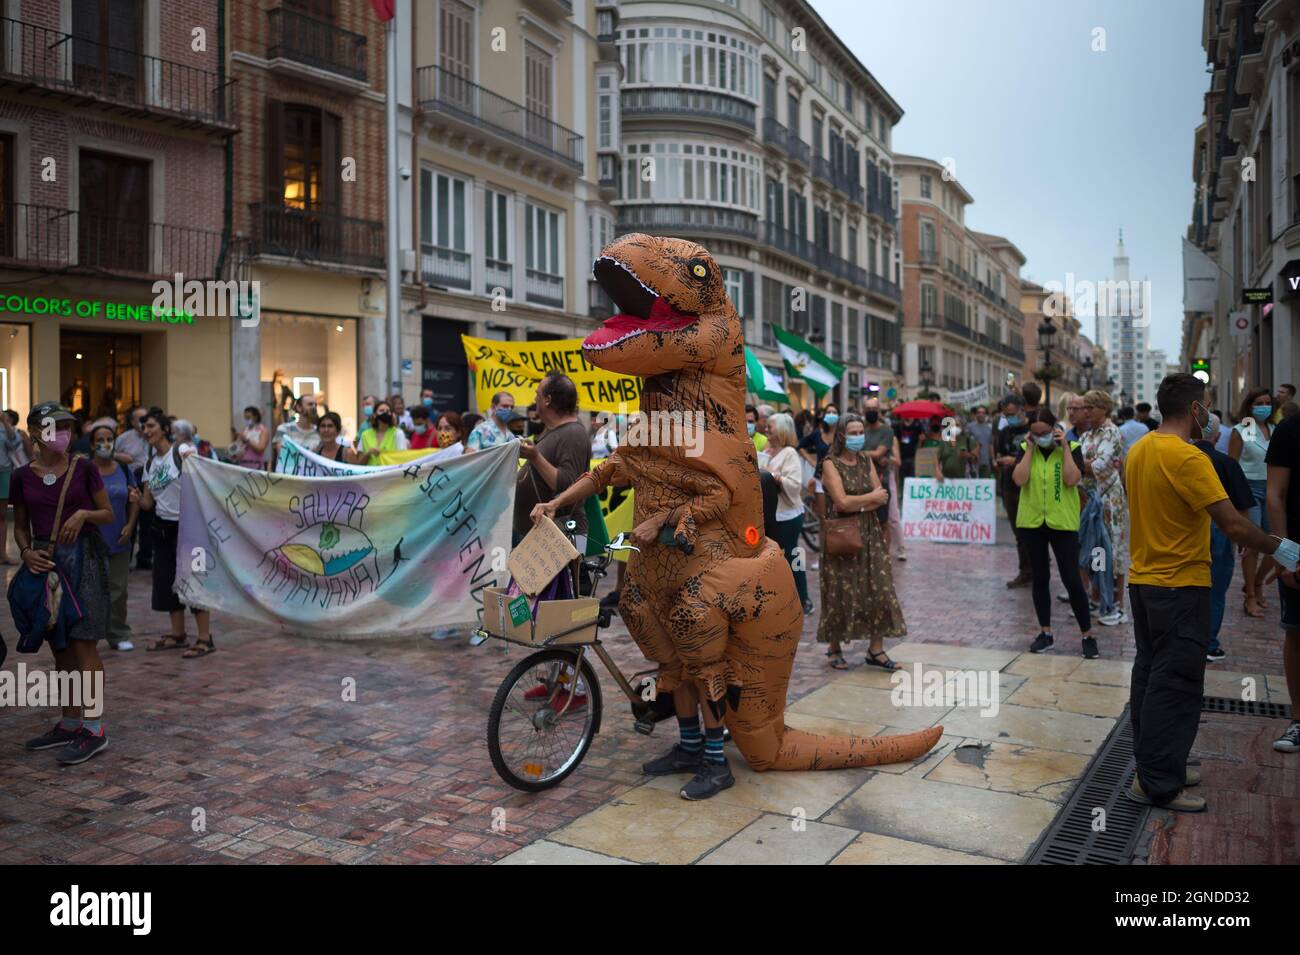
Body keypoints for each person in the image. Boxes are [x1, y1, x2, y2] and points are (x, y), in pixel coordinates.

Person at [1125, 374, 1298, 812]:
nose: (1210, 415)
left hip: (1144, 582)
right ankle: (1158, 784)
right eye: (1205, 407)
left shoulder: (1141, 449)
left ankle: (1158, 765)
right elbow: (1234, 524)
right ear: (1195, 409)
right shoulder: (1187, 457)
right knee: (1176, 684)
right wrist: (1284, 548)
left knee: (1150, 677)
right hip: (1181, 585)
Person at [13, 401, 114, 764]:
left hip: (84, 562)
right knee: (60, 647)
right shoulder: (23, 476)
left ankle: (95, 729)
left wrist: (84, 513)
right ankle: (70, 722)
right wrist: (25, 553)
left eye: (68, 426)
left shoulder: (84, 468)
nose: (63, 433)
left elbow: (108, 513)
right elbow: (20, 526)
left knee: (85, 644)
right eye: (55, 426)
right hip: (46, 565)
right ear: (36, 433)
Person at [817, 413, 904, 669]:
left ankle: (876, 650)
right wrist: (867, 500)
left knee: (880, 586)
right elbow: (842, 502)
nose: (858, 437)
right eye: (852, 433)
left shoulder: (866, 459)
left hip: (870, 532)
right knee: (840, 589)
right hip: (842, 533)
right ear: (841, 435)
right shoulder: (830, 464)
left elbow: (882, 495)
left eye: (860, 432)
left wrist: (861, 503)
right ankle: (834, 649)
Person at [1011, 408, 1097, 657]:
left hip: (1062, 523)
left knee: (1071, 579)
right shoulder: (1027, 449)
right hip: (1032, 522)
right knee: (1040, 578)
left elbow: (1072, 480)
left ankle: (1087, 636)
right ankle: (1045, 632)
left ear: (1055, 429)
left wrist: (1066, 449)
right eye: (1035, 434)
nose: (1041, 437)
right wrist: (1029, 449)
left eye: (1045, 433)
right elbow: (1019, 479)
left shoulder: (1073, 447)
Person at [139, 411, 214, 658]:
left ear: (163, 429)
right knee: (168, 581)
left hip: (192, 528)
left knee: (195, 581)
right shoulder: (150, 464)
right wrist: (136, 499)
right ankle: (178, 634)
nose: (146, 431)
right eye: (144, 427)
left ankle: (205, 638)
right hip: (163, 529)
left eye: (151, 426)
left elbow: (203, 477)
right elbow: (148, 504)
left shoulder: (180, 452)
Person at [1196, 413, 1254, 663]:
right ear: (1218, 437)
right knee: (1216, 591)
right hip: (1219, 531)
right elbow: (1242, 506)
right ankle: (1209, 643)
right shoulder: (1228, 464)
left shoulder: (1180, 460)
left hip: (1186, 531)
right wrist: (1243, 537)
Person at [513, 372, 588, 549]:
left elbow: (568, 485)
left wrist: (534, 456)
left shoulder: (572, 433)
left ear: (547, 399)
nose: (535, 398)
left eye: (537, 394)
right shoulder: (555, 431)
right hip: (543, 538)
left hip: (561, 537)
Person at [1077, 391, 1129, 626]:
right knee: (1096, 548)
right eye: (1084, 407)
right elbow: (1079, 465)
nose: (1086, 411)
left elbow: (1098, 466)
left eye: (1091, 407)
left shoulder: (1112, 433)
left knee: (1113, 549)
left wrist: (1078, 464)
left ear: (1104, 409)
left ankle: (1118, 604)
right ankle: (1098, 598)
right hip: (1088, 499)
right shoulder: (1087, 435)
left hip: (1109, 500)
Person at [1265, 402, 1300, 753]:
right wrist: (1287, 555)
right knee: (1297, 634)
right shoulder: (1290, 430)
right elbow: (1274, 496)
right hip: (1299, 551)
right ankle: (1298, 719)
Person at [89, 420, 139, 652]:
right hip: (92, 540)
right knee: (92, 588)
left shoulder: (124, 469)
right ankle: (89, 635)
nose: (105, 444)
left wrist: (130, 525)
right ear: (92, 444)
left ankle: (118, 634)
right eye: (100, 440)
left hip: (119, 538)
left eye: (109, 440)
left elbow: (134, 499)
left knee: (119, 591)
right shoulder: (85, 470)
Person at [1229, 387, 1275, 618]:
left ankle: (1255, 583)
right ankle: (1250, 598)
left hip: (1273, 490)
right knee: (1253, 544)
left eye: (1268, 402)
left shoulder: (1275, 430)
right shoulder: (1246, 428)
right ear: (1249, 406)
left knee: (1277, 542)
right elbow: (1234, 465)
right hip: (1249, 490)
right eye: (1259, 402)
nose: (1264, 406)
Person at [764, 413, 811, 614]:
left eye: (770, 426)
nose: (765, 429)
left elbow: (794, 484)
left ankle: (803, 597)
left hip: (788, 516)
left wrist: (775, 477)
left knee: (794, 556)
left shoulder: (790, 453)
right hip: (773, 514)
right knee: (776, 558)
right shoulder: (768, 451)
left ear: (782, 430)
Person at [995, 393, 1033, 587]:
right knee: (1018, 532)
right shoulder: (1005, 432)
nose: (1009, 417)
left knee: (1034, 531)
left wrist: (1016, 460)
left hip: (1031, 486)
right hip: (1009, 486)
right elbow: (998, 454)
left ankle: (1038, 569)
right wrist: (1001, 461)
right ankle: (1025, 571)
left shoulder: (1034, 430)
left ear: (1022, 410)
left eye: (1011, 413)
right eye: (1005, 414)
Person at [862, 395, 904, 560]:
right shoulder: (861, 429)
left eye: (874, 409)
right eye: (868, 409)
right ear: (863, 411)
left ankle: (884, 556)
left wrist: (859, 453)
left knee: (884, 520)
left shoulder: (887, 431)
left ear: (879, 411)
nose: (871, 412)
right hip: (861, 479)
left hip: (881, 479)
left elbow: (880, 452)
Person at [0, 409, 23, 562]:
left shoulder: (4, 428)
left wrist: (5, 422)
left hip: (3, 472)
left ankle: (2, 554)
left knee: (1, 516)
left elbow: (14, 442)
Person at [273, 394, 321, 461]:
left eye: (315, 405)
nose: (314, 407)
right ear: (298, 407)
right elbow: (283, 455)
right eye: (310, 404)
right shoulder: (284, 429)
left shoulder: (320, 432)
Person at [968, 404, 994, 479]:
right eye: (979, 412)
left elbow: (991, 444)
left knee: (985, 483)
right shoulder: (969, 427)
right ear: (976, 414)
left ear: (986, 415)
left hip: (985, 462)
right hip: (972, 463)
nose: (981, 415)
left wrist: (993, 459)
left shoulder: (989, 428)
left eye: (983, 413)